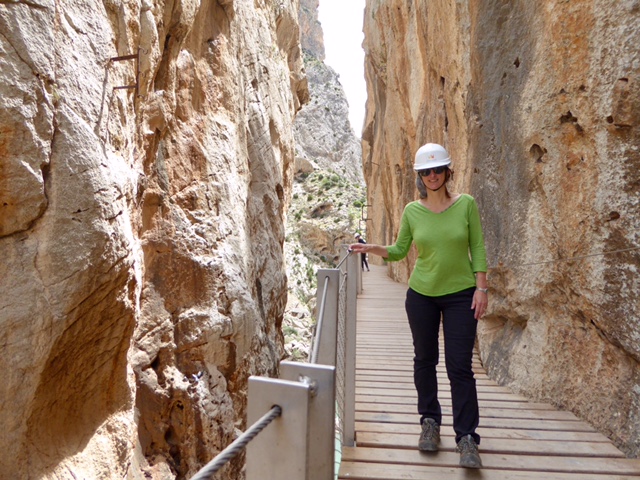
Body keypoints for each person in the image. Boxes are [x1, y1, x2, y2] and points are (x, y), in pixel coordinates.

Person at [350, 143, 488, 469]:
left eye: (437, 169)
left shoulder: (466, 204)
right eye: (426, 171)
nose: (432, 176)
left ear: (447, 172)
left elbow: (478, 247)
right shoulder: (413, 211)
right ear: (419, 176)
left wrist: (481, 288)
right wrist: (372, 248)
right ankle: (429, 422)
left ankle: (467, 437)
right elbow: (400, 250)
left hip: (461, 295)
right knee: (425, 360)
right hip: (421, 295)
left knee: (459, 366)